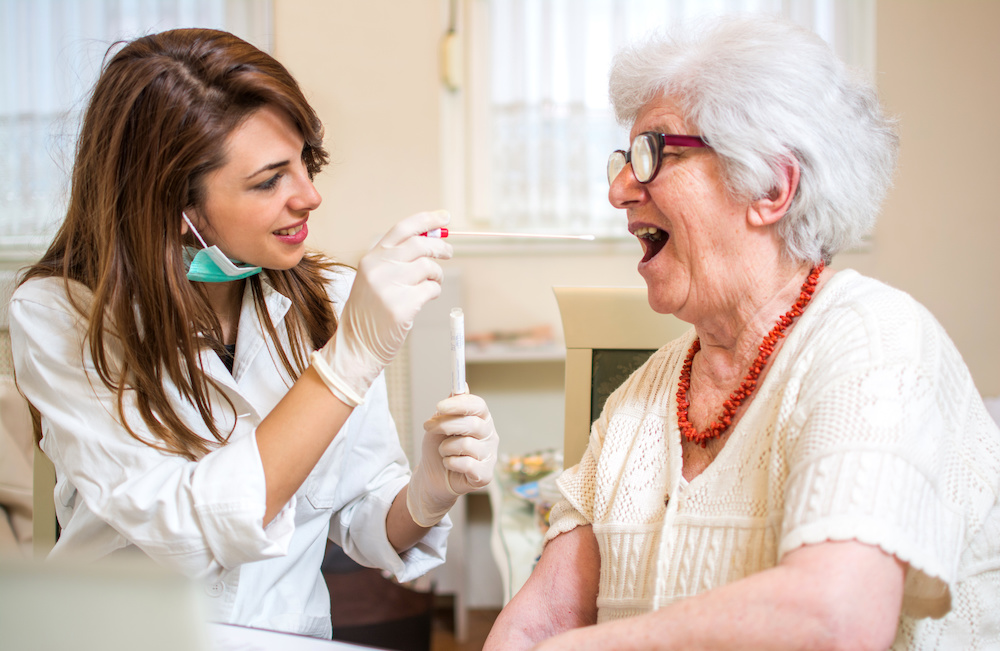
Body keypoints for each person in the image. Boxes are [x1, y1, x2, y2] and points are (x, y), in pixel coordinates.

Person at [485, 14, 1000, 651]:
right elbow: (541, 619)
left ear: (770, 186)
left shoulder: (876, 343)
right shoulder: (640, 400)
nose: (618, 189)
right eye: (622, 159)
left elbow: (836, 619)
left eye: (651, 154)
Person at [9, 28, 499, 639]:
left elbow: (367, 526)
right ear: (172, 208)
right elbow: (188, 533)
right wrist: (345, 365)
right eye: (269, 181)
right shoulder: (62, 317)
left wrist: (429, 491)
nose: (310, 196)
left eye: (304, 163)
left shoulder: (328, 302)